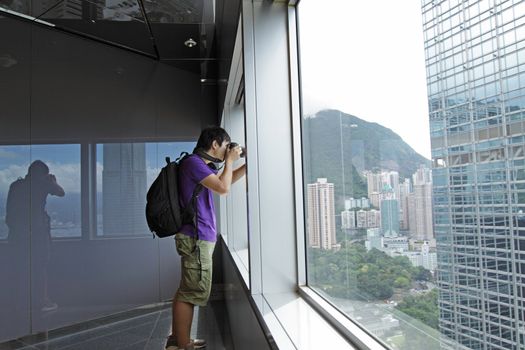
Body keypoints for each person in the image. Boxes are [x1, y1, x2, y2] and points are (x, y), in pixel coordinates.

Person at [166, 127, 246, 350]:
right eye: (225, 146)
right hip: (196, 236)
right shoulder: (193, 163)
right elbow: (223, 188)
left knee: (188, 290)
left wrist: (244, 166)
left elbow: (224, 182)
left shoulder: (198, 165)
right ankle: (182, 345)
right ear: (215, 144)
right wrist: (230, 160)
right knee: (190, 293)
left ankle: (179, 340)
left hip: (197, 237)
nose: (226, 151)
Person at [5, 160, 65, 313]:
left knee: (19, 268)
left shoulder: (16, 186)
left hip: (17, 234)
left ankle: (18, 302)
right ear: (43, 175)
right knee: (40, 267)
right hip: (37, 233)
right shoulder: (42, 185)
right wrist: (52, 181)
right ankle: (42, 301)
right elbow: (61, 192)